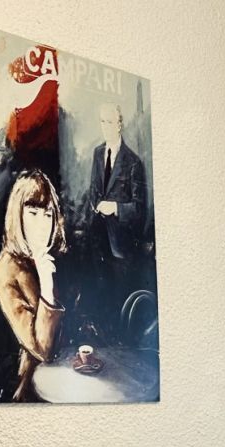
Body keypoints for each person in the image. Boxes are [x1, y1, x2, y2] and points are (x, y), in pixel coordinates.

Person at [0, 170, 69, 402]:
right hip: (31, 386)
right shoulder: (7, 269)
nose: (42, 225)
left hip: (63, 369)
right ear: (18, 216)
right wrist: (46, 284)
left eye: (48, 215)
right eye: (33, 213)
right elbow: (41, 349)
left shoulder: (43, 258)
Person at [83, 103, 148, 340]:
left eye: (110, 122)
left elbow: (140, 209)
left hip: (121, 245)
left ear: (120, 124)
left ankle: (117, 343)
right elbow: (93, 190)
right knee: (97, 295)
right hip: (97, 239)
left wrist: (115, 208)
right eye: (102, 122)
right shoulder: (98, 154)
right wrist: (95, 206)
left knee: (117, 300)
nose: (105, 127)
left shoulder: (133, 163)